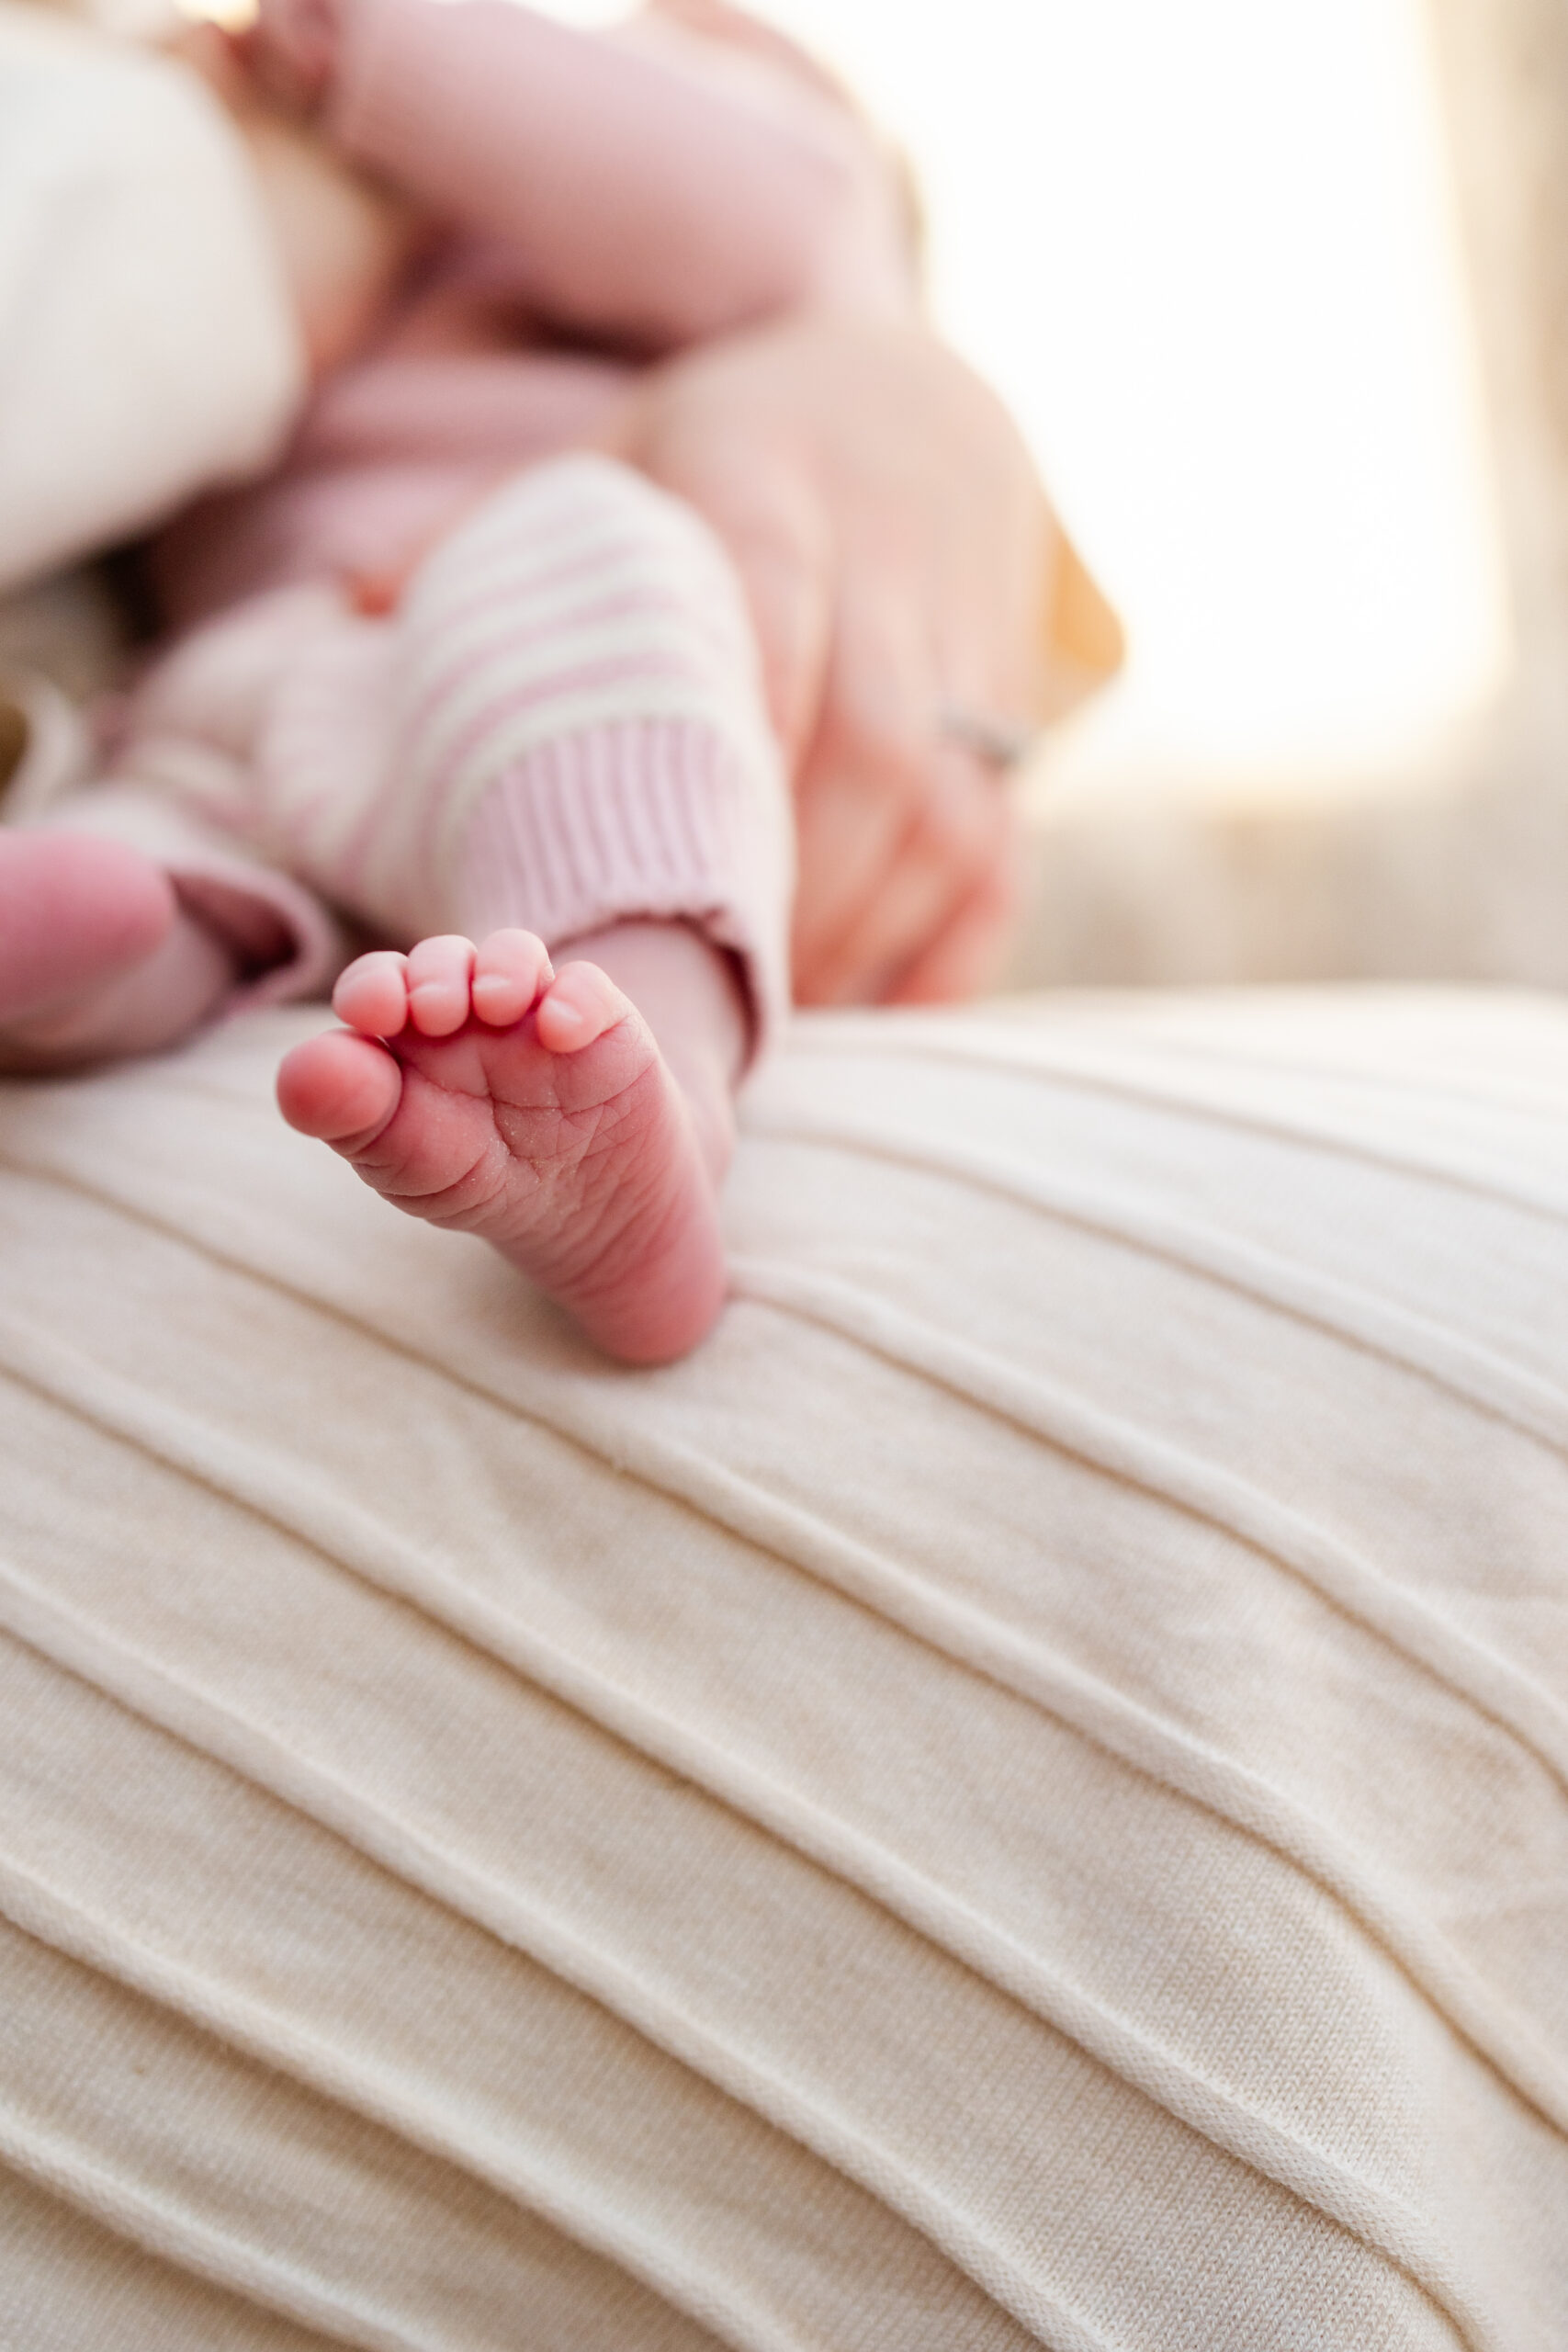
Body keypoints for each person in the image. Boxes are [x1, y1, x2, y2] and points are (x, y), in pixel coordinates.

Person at [0, 0, 1108, 1363]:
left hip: (511, 616)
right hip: (286, 657)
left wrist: (361, 42)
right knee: (172, 798)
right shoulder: (350, 238)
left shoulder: (754, 208)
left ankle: (647, 1080)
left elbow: (759, 206)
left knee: (590, 567)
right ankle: (100, 934)